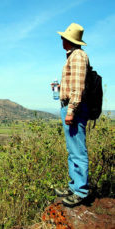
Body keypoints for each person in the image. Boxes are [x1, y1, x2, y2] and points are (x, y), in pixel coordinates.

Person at [54, 23, 90, 207]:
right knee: (72, 150)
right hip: (69, 107)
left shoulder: (77, 57)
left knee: (78, 151)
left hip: (73, 109)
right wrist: (59, 89)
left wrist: (71, 111)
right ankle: (74, 185)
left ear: (70, 40)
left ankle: (81, 191)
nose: (61, 40)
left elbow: (78, 88)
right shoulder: (72, 56)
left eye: (64, 37)